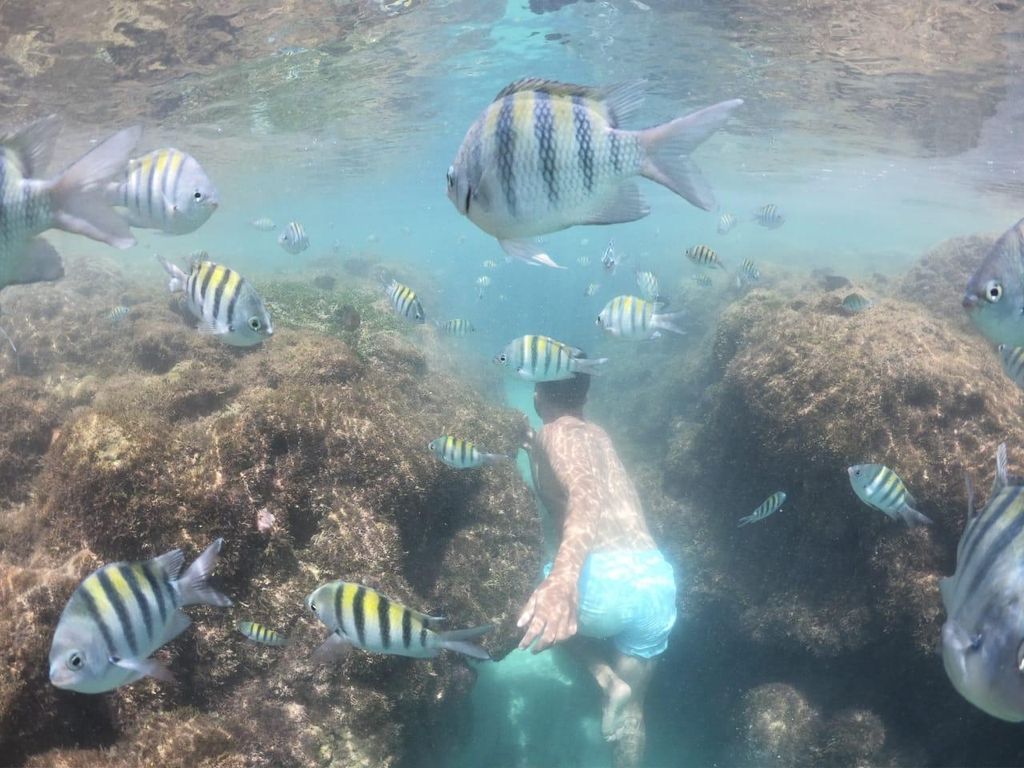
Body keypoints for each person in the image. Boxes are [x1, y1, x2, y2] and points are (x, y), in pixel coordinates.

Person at [517, 368, 678, 768]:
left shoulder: (554, 435)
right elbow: (578, 468)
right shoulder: (597, 435)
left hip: (602, 583)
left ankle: (604, 677)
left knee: (531, 603)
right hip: (655, 582)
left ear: (537, 396)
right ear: (583, 398)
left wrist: (563, 580)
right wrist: (531, 447)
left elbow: (584, 494)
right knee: (632, 709)